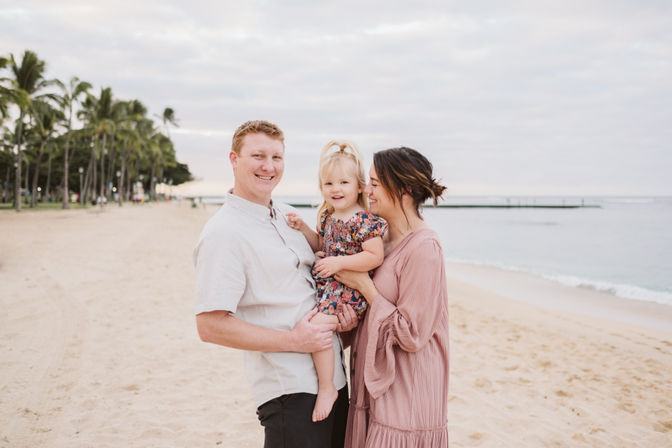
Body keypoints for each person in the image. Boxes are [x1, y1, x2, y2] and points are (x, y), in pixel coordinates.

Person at [193, 120, 349, 447]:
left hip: (335, 379)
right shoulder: (223, 233)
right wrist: (294, 340)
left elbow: (316, 284)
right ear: (234, 159)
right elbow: (210, 325)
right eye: (258, 156)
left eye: (277, 157)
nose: (269, 166)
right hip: (289, 391)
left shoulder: (289, 215)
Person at [335, 146, 450, 447]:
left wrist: (365, 287)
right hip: (373, 386)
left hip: (407, 393)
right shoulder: (379, 242)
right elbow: (370, 313)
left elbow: (411, 333)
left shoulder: (424, 248)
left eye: (374, 183)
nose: (366, 190)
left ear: (405, 189)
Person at [286, 141, 385, 422]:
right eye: (329, 183)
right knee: (313, 322)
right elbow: (323, 244)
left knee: (317, 327)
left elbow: (374, 256)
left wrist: (339, 262)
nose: (336, 189)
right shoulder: (329, 216)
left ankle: (327, 388)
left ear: (359, 186)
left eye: (343, 182)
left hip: (350, 291)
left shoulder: (363, 220)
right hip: (331, 286)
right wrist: (304, 228)